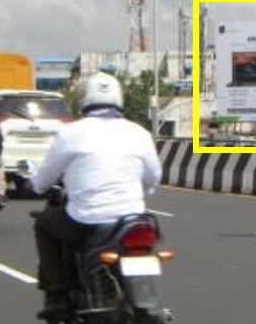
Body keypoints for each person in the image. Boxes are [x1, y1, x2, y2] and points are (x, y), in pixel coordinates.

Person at [31, 72, 162, 320]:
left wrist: (36, 184)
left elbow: (43, 179)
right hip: (133, 221)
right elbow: (153, 178)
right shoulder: (139, 133)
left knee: (44, 223)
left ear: (84, 100)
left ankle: (56, 296)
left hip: (87, 221)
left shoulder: (70, 133)